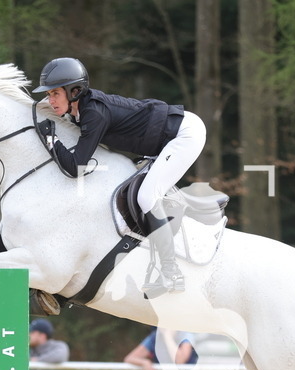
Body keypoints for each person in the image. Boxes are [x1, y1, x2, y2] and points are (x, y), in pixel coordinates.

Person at [32, 57, 207, 296]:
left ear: (74, 91)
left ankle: (171, 272)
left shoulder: (93, 113)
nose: (50, 100)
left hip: (183, 135)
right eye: (48, 95)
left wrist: (51, 139)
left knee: (146, 197)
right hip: (164, 140)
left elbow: (76, 168)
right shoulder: (79, 109)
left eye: (54, 94)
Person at [123, 328, 197, 370]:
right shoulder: (155, 337)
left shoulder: (185, 334)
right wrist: (145, 363)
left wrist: (167, 337)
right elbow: (129, 358)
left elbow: (179, 361)